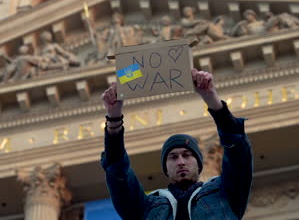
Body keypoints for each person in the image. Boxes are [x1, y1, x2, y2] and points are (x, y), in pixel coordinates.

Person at [100, 68, 253, 219]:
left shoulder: (224, 192)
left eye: (187, 155)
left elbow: (238, 151)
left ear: (199, 164)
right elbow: (118, 172)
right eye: (173, 157)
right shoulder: (146, 208)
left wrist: (211, 99)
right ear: (165, 168)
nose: (180, 162)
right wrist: (114, 118)